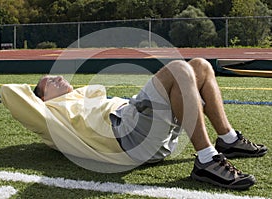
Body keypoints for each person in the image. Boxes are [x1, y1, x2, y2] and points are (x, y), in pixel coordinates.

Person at [30, 58, 267, 189]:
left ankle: (229, 140)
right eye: (49, 81)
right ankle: (207, 160)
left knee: (201, 66)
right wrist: (34, 100)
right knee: (178, 68)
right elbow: (15, 96)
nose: (58, 77)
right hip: (127, 133)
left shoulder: (80, 95)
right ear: (44, 97)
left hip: (140, 126)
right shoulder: (52, 109)